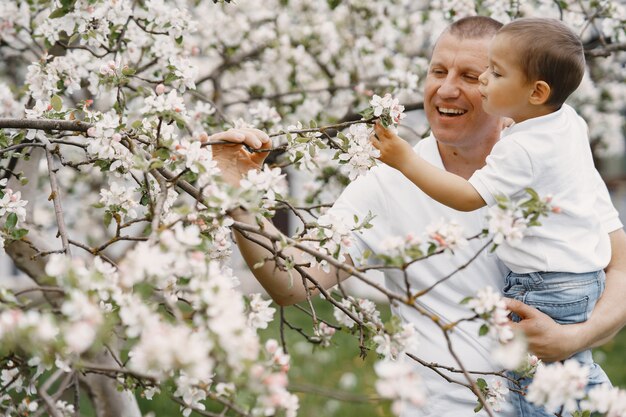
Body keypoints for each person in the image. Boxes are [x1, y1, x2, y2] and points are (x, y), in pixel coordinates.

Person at [209, 16, 626, 417]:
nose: (446, 90)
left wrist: (573, 338)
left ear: (524, 89)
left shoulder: (552, 157)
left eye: (472, 75)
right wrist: (238, 196)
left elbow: (621, 265)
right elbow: (294, 282)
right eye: (437, 71)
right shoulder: (387, 183)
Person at [371, 18, 613, 415]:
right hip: (582, 278)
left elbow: (468, 197)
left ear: (536, 92)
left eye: (493, 73)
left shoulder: (520, 150)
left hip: (543, 286)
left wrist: (405, 160)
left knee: (531, 384)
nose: (483, 80)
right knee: (571, 372)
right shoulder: (567, 123)